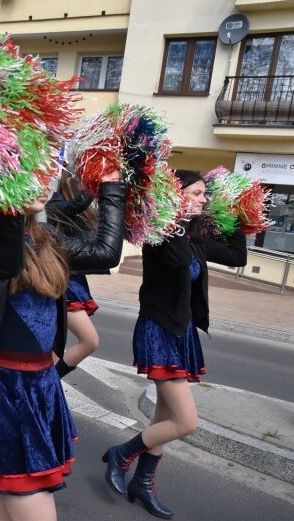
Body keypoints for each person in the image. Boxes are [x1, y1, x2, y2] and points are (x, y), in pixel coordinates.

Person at [0, 174, 125, 521]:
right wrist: (9, 203)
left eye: (46, 174)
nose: (44, 182)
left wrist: (112, 184)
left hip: (41, 386)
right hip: (1, 389)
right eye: (31, 170)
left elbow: (106, 252)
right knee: (26, 495)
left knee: (4, 505)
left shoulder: (45, 237)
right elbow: (4, 261)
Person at [102, 170, 247, 519]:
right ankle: (122, 454)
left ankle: (143, 482)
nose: (203, 199)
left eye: (204, 194)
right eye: (196, 193)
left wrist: (238, 216)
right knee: (186, 421)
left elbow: (237, 256)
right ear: (175, 195)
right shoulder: (160, 233)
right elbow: (179, 260)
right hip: (159, 330)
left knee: (164, 414)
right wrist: (174, 215)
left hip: (182, 332)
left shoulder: (191, 235)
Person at [45, 170, 102, 377]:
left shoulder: (84, 210)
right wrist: (97, 183)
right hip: (63, 282)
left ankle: (46, 385)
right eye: (84, 180)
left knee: (52, 347)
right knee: (89, 340)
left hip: (75, 280)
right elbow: (74, 205)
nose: (86, 185)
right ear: (70, 180)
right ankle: (49, 383)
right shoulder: (55, 204)